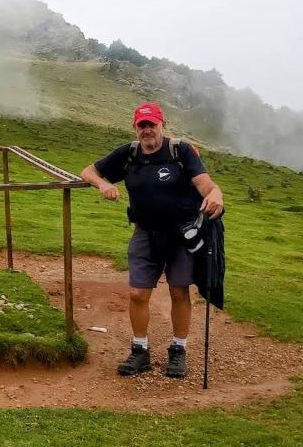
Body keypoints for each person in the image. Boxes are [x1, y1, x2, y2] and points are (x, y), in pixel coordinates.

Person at [80, 102, 224, 378]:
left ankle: (178, 350)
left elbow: (206, 185)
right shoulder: (129, 154)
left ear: (162, 125)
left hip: (181, 234)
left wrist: (215, 194)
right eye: (141, 125)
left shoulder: (179, 151)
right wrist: (104, 184)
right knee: (137, 293)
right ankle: (140, 351)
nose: (147, 130)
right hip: (145, 233)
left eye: (152, 125)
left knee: (179, 292)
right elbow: (88, 171)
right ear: (135, 127)